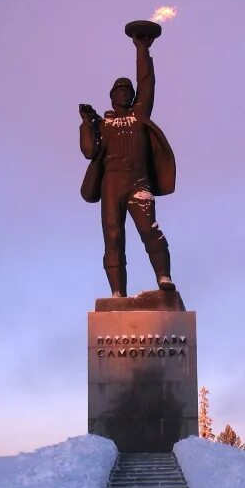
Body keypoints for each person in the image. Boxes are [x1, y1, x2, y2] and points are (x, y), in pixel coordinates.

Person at [79, 32, 177, 297]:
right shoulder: (103, 124)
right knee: (112, 237)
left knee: (149, 229)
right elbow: (89, 151)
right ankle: (117, 294)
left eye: (127, 91)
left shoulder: (138, 114)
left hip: (138, 180)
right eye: (119, 90)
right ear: (111, 96)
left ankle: (164, 277)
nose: (124, 93)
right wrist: (87, 123)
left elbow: (147, 82)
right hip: (111, 182)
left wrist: (141, 48)